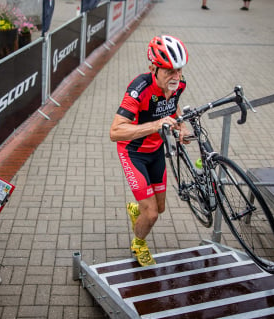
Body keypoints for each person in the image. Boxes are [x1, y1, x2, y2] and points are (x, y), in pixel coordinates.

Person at [110, 35, 192, 267]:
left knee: (160, 208)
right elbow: (115, 131)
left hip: (156, 151)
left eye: (179, 70)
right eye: (169, 71)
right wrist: (155, 126)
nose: (176, 77)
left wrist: (182, 127)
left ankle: (138, 209)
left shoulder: (179, 84)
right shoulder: (139, 88)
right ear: (153, 68)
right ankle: (138, 244)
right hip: (133, 153)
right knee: (152, 214)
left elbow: (172, 108)